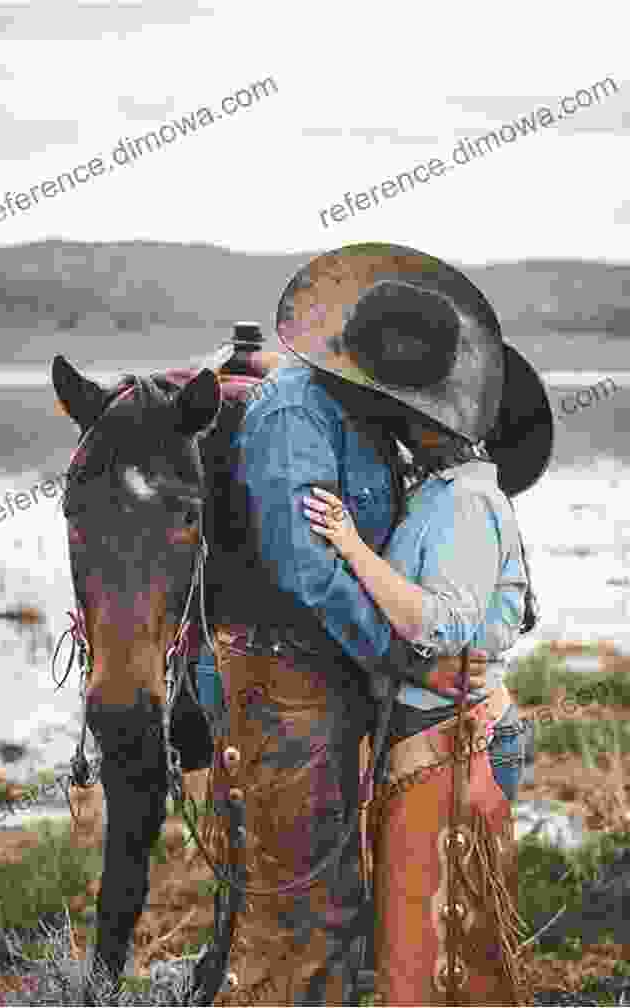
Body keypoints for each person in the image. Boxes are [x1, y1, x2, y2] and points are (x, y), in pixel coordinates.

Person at [201, 242, 552, 1006]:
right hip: (293, 686)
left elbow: (460, 594)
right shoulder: (298, 413)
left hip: (347, 688)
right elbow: (308, 571)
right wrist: (402, 657)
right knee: (307, 904)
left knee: (359, 899)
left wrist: (417, 652)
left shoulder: (388, 442)